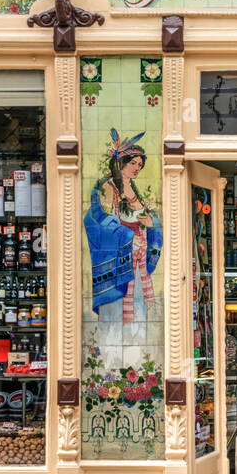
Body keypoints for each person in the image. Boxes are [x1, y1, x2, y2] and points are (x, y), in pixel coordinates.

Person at [84, 128, 162, 341]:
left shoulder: (134, 189)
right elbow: (98, 220)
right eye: (133, 163)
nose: (137, 168)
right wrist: (127, 236)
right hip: (120, 261)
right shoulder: (108, 187)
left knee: (138, 314)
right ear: (121, 162)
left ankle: (136, 358)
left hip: (138, 261)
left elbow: (151, 219)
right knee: (116, 315)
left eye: (140, 165)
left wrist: (151, 222)